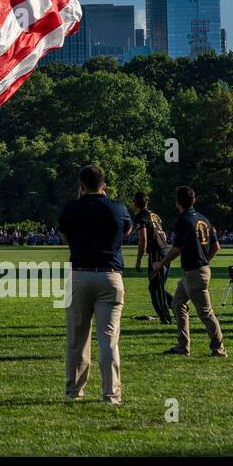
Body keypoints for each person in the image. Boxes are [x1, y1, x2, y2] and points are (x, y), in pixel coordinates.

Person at [57, 164, 132, 406]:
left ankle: (75, 391)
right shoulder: (117, 207)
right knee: (109, 340)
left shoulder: (71, 208)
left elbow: (65, 237)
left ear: (81, 186)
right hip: (110, 274)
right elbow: (127, 230)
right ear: (104, 186)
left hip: (80, 274)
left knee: (77, 338)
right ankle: (111, 394)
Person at [153, 185, 227, 357]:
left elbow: (176, 249)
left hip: (195, 272)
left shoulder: (184, 220)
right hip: (196, 271)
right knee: (177, 303)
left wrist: (160, 264)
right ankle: (183, 346)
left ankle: (219, 348)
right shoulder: (204, 219)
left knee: (206, 312)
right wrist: (204, 260)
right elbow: (216, 246)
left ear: (178, 202)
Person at [132, 191, 173, 324]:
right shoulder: (154, 215)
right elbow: (164, 235)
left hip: (156, 253)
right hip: (165, 251)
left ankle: (166, 317)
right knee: (155, 286)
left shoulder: (141, 216)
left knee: (157, 288)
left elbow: (143, 239)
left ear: (134, 203)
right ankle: (176, 304)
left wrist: (138, 260)